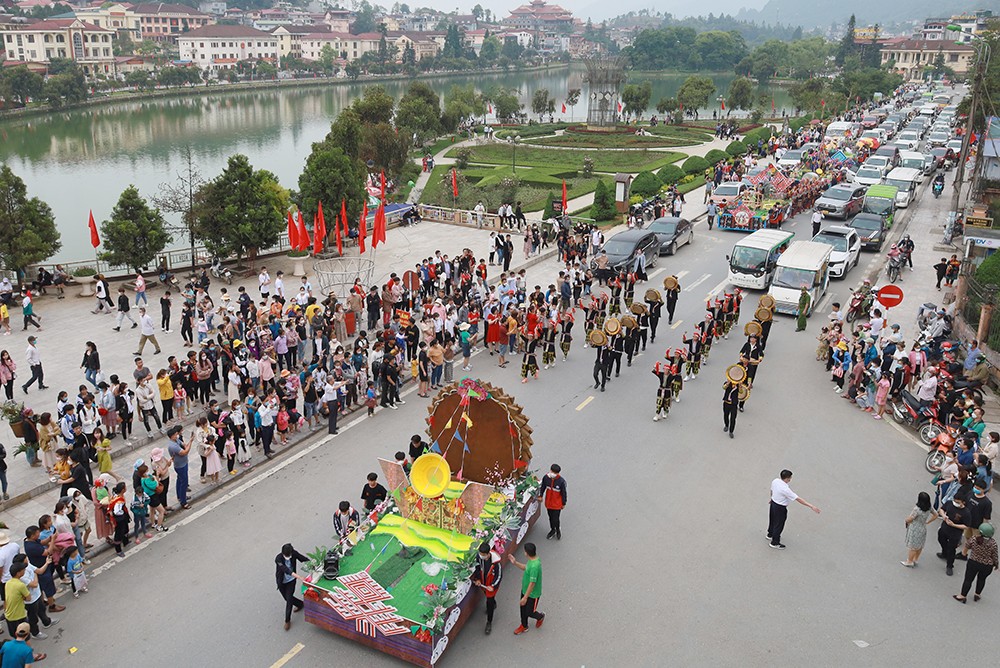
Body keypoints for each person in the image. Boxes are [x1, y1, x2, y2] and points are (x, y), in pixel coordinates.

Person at [767, 470, 821, 550]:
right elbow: (798, 499)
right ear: (787, 478)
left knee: (772, 519)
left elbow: (772, 490)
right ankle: (774, 542)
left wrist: (772, 498)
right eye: (790, 477)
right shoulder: (785, 489)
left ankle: (770, 534)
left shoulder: (775, 481)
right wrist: (811, 506)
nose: (791, 479)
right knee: (779, 524)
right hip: (780, 508)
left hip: (773, 504)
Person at [954, 523, 998, 603]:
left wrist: (965, 553)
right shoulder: (993, 543)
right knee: (982, 579)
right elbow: (995, 556)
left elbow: (966, 547)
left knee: (968, 579)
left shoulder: (974, 539)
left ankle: (962, 596)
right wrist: (996, 565)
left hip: (973, 562)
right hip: (987, 565)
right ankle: (977, 594)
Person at [508, 543, 544, 635]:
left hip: (533, 594)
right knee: (523, 609)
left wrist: (525, 598)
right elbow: (525, 568)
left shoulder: (535, 566)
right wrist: (515, 563)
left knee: (530, 612)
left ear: (526, 553)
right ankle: (524, 625)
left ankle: (540, 617)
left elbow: (532, 583)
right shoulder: (532, 561)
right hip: (525, 590)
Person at [471, 542, 503, 635]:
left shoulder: (496, 563)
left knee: (489, 602)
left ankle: (489, 622)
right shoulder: (479, 557)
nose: (481, 556)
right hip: (484, 584)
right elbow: (477, 568)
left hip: (491, 586)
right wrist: (477, 579)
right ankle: (494, 603)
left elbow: (499, 576)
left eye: (483, 555)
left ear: (488, 554)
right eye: (480, 554)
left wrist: (493, 586)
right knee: (488, 597)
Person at [274, 543, 307, 631]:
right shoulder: (278, 559)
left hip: (291, 581)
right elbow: (285, 570)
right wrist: (299, 577)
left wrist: (312, 562)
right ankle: (300, 604)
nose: (288, 557)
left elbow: (302, 558)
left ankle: (287, 620)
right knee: (287, 598)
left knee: (289, 600)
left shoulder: (294, 553)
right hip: (282, 582)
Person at [901, 491, 938, 567]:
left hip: (915, 528)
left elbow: (910, 519)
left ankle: (909, 561)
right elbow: (936, 515)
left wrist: (906, 520)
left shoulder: (917, 509)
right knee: (920, 545)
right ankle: (915, 559)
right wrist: (928, 521)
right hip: (923, 527)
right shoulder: (929, 508)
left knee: (913, 546)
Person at [937, 495, 971, 576]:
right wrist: (944, 516)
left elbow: (966, 526)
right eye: (955, 501)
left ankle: (949, 566)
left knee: (951, 550)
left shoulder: (966, 513)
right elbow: (942, 509)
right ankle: (944, 553)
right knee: (941, 540)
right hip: (944, 528)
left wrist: (954, 525)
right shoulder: (949, 503)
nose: (955, 503)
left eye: (958, 502)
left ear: (963, 502)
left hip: (955, 533)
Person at [538, 465, 567, 540]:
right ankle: (552, 530)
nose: (552, 473)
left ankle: (558, 530)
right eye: (552, 471)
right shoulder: (546, 478)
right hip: (548, 503)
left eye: (554, 472)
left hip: (557, 504)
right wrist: (540, 495)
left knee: (556, 519)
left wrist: (564, 503)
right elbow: (543, 487)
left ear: (557, 473)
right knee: (550, 518)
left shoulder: (561, 482)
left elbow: (564, 493)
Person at [166, 425, 192, 510]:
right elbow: (184, 452)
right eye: (175, 434)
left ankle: (180, 496)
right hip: (180, 465)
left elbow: (184, 445)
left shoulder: (176, 440)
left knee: (180, 480)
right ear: (172, 436)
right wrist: (191, 442)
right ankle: (183, 502)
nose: (177, 434)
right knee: (184, 482)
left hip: (183, 463)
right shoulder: (173, 446)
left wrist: (188, 443)